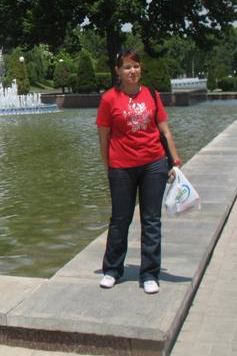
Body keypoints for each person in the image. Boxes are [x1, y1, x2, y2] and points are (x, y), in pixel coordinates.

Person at [96, 50, 180, 295]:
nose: (132, 71)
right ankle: (112, 270)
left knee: (151, 220)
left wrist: (174, 161)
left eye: (135, 66)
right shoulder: (109, 99)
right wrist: (107, 165)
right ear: (118, 71)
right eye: (127, 67)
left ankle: (150, 273)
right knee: (120, 220)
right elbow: (103, 137)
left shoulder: (152, 95)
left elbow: (165, 131)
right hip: (121, 166)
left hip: (154, 164)